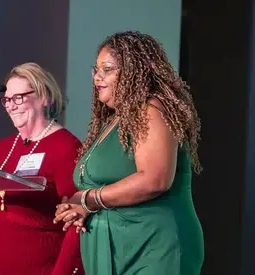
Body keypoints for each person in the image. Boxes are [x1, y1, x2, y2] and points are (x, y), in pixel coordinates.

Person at [54, 31, 204, 275]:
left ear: (135, 72)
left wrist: (89, 199)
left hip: (153, 246)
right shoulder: (115, 121)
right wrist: (79, 207)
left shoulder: (152, 110)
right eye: (96, 70)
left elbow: (154, 180)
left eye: (108, 69)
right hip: (117, 247)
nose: (97, 78)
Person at [0, 62, 84, 274]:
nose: (10, 106)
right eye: (7, 100)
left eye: (18, 98)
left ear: (44, 96)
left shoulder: (66, 147)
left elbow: (74, 222)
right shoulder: (2, 148)